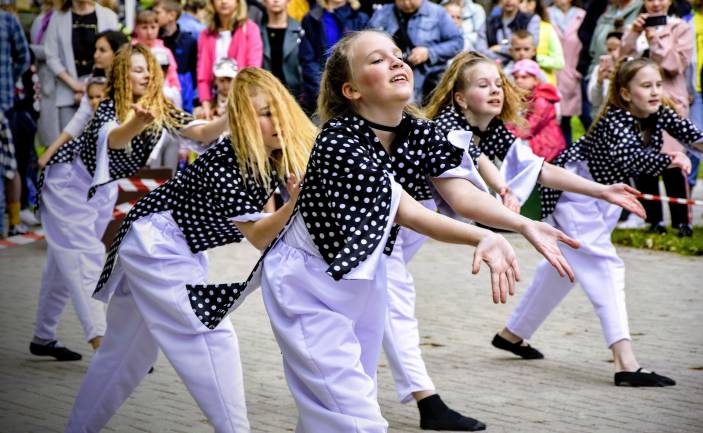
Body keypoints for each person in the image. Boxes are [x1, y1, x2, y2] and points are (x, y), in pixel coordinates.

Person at [248, 30, 584, 432]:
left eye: (397, 54)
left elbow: (460, 193)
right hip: (307, 284)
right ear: (351, 89)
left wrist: (523, 224)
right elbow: (405, 210)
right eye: (376, 59)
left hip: (363, 279)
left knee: (336, 408)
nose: (395, 62)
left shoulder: (417, 130)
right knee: (355, 416)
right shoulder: (338, 141)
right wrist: (481, 236)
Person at [65, 67, 314, 433]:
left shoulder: (271, 156)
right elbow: (260, 235)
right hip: (157, 245)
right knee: (209, 331)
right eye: (264, 113)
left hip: (165, 244)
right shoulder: (230, 162)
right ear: (243, 118)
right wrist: (294, 204)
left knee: (126, 355)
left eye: (278, 109)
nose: (276, 120)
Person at [431, 55, 698, 387]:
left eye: (499, 83)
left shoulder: (486, 127)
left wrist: (602, 191)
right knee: (603, 264)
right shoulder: (447, 129)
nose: (497, 91)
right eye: (484, 85)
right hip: (570, 197)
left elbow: (533, 166)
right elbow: (467, 184)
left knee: (565, 266)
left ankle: (512, 334)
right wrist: (506, 215)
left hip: (594, 195)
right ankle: (625, 361)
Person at [31, 44, 224, 362]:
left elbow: (199, 131)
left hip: (100, 190)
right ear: (122, 74)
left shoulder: (159, 105)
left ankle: (43, 335)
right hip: (66, 184)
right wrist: (136, 123)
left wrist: (228, 119)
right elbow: (115, 139)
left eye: (149, 68)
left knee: (63, 259)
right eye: (137, 69)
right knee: (85, 259)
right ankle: (105, 346)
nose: (147, 74)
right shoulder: (108, 106)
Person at [621, 0, 695, 237]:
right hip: (638, 105)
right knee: (644, 161)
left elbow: (674, 65)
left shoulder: (680, 28)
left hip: (669, 103)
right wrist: (633, 34)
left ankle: (682, 222)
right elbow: (622, 59)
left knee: (673, 163)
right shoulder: (637, 26)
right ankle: (654, 221)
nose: (655, 3)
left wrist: (655, 38)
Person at [38, 30, 129, 168]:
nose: (95, 55)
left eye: (102, 50)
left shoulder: (129, 84)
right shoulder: (93, 82)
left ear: (117, 53)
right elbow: (79, 120)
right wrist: (51, 150)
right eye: (96, 50)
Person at [42, 0, 119, 143]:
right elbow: (51, 57)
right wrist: (76, 86)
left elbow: (116, 53)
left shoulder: (108, 16)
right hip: (68, 91)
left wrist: (91, 88)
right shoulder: (58, 18)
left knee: (99, 142)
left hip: (101, 91)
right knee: (69, 143)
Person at [369, 0, 463, 104]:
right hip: (390, 77)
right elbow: (368, 42)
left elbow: (457, 42)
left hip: (427, 81)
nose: (406, 2)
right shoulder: (382, 13)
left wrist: (429, 52)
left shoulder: (438, 12)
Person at [197, 0, 263, 120]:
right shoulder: (205, 34)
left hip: (244, 100)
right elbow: (203, 73)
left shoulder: (250, 29)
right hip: (216, 101)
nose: (223, 2)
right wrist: (206, 104)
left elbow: (253, 70)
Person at [299, 0, 368, 113]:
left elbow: (365, 57)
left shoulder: (360, 18)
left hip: (355, 92)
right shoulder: (311, 18)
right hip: (319, 93)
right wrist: (323, 90)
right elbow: (307, 59)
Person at [0, 9, 31, 238]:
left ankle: (14, 220)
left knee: (10, 163)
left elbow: (23, 56)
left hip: (4, 102)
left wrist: (8, 80)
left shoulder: (8, 20)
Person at [508, 59, 566, 162]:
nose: (518, 81)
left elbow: (528, 129)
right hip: (536, 144)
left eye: (524, 77)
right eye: (516, 77)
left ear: (536, 79)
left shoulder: (541, 100)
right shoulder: (526, 97)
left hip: (546, 147)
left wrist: (506, 133)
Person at [548, 0, 586, 145]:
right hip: (553, 73)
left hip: (575, 72)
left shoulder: (581, 15)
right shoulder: (547, 14)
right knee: (560, 120)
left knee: (585, 116)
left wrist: (579, 68)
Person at [155, 0, 199, 113]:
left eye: (158, 12)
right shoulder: (155, 41)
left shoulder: (189, 41)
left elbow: (195, 71)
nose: (154, 16)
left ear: (172, 15)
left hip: (184, 98)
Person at [261, 0, 303, 99]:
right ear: (264, 1)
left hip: (295, 96)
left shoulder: (300, 31)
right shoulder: (255, 31)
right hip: (265, 94)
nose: (276, 1)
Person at [132, 9, 182, 93]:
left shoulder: (165, 51)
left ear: (158, 27)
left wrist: (175, 93)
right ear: (136, 28)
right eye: (144, 28)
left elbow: (173, 78)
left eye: (153, 27)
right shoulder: (130, 50)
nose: (149, 32)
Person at [518, 0, 564, 86]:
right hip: (517, 87)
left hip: (543, 87)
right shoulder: (513, 27)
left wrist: (534, 58)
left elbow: (559, 62)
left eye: (527, 1)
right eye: (520, 1)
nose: (523, 5)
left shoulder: (547, 28)